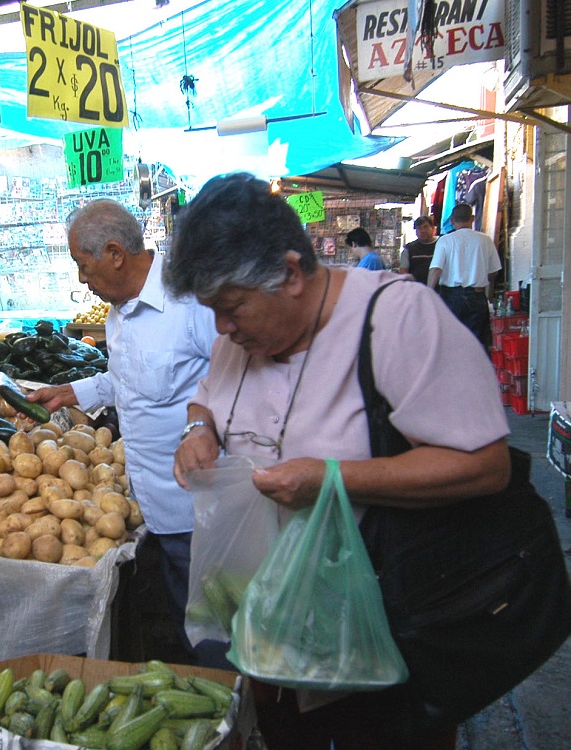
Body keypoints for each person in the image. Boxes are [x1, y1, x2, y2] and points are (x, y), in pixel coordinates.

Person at [167, 173, 509, 750]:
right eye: (212, 312)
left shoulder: (397, 318)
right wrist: (198, 429)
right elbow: (208, 397)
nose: (221, 328)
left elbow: (484, 463)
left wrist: (332, 478)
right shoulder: (242, 338)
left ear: (292, 273)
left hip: (384, 640)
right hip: (274, 641)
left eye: (230, 307)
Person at [25, 198, 218, 658]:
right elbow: (128, 379)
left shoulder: (191, 303)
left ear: (114, 253)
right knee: (185, 625)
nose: (81, 279)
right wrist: (72, 393)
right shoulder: (119, 315)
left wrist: (201, 428)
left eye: (82, 265)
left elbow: (237, 378)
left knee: (218, 637)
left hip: (202, 513)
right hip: (152, 507)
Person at [428, 202, 502, 348]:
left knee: (451, 342)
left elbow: (435, 270)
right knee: (477, 344)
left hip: (451, 297)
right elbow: (494, 272)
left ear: (452, 221)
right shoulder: (485, 240)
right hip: (477, 296)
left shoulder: (445, 241)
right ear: (472, 219)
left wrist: (428, 293)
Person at [399, 214, 438, 283]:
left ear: (433, 228)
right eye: (419, 228)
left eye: (425, 227)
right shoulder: (409, 249)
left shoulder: (441, 245)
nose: (423, 231)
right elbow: (403, 271)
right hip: (417, 289)